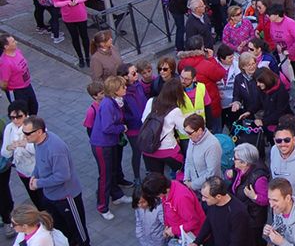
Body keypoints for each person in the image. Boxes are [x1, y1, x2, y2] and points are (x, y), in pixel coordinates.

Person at [23, 116, 90, 246]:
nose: (25, 136)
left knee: (78, 231)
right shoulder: (37, 142)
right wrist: (34, 175)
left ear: (39, 132)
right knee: (61, 229)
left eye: (27, 133)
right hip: (50, 196)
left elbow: (63, 176)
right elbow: (39, 163)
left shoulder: (55, 149)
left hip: (66, 197)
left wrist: (38, 183)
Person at [91, 76, 132, 220]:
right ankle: (102, 206)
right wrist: (122, 127)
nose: (125, 88)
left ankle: (116, 195)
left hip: (110, 143)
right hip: (102, 145)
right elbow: (107, 127)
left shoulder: (114, 101)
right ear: (115, 90)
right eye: (123, 87)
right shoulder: (108, 104)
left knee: (113, 170)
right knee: (105, 176)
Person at [178, 36, 227, 133]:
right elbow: (221, 74)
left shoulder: (181, 64)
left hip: (190, 107)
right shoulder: (206, 64)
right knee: (216, 131)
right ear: (202, 48)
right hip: (210, 104)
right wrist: (211, 59)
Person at [141, 172, 205, 242]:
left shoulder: (181, 198)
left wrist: (173, 230)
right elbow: (166, 209)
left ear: (160, 191)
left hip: (194, 237)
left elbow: (194, 222)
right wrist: (167, 227)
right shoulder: (168, 190)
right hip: (182, 234)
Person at [3, 101, 43, 212]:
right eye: (12, 117)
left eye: (19, 116)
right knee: (34, 197)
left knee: (45, 197)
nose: (15, 120)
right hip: (22, 170)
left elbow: (41, 148)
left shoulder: (35, 126)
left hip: (38, 170)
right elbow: (5, 153)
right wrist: (10, 148)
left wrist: (25, 145)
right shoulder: (9, 128)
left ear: (26, 115)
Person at [140, 78, 186, 174]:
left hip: (148, 148)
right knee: (183, 171)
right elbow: (184, 130)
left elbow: (143, 119)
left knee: (157, 180)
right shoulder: (175, 110)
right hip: (168, 150)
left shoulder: (151, 101)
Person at [190, 176, 252, 246]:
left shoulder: (238, 212)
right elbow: (208, 223)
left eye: (206, 197)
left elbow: (237, 242)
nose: (203, 199)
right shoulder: (212, 202)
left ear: (218, 196)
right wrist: (196, 242)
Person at [51, 0, 90, 67]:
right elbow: (55, 3)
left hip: (80, 14)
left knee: (84, 36)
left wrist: (76, 1)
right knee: (75, 37)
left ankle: (87, 57)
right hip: (68, 17)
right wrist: (68, 2)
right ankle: (80, 57)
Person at [267, 4, 295, 101]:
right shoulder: (272, 23)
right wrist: (277, 45)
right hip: (282, 56)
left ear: (276, 15)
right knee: (284, 75)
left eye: (269, 14)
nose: (267, 16)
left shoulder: (290, 23)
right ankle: (287, 92)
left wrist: (289, 51)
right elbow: (273, 37)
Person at [262, 178, 295, 246]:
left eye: (275, 200)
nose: (271, 205)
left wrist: (282, 243)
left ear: (288, 198)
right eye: (269, 199)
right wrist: (271, 231)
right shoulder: (278, 209)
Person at [0, 35, 39, 115]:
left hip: (27, 85)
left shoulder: (17, 51)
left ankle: (32, 123)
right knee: (21, 112)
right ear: (6, 46)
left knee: (34, 106)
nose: (16, 42)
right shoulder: (5, 63)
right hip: (17, 91)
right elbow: (4, 83)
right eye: (13, 42)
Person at [182, 114, 222, 193]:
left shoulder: (212, 145)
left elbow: (211, 173)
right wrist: (186, 179)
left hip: (209, 190)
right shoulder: (193, 138)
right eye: (186, 132)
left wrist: (192, 185)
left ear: (200, 130)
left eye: (189, 133)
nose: (187, 135)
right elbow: (188, 160)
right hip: (194, 185)